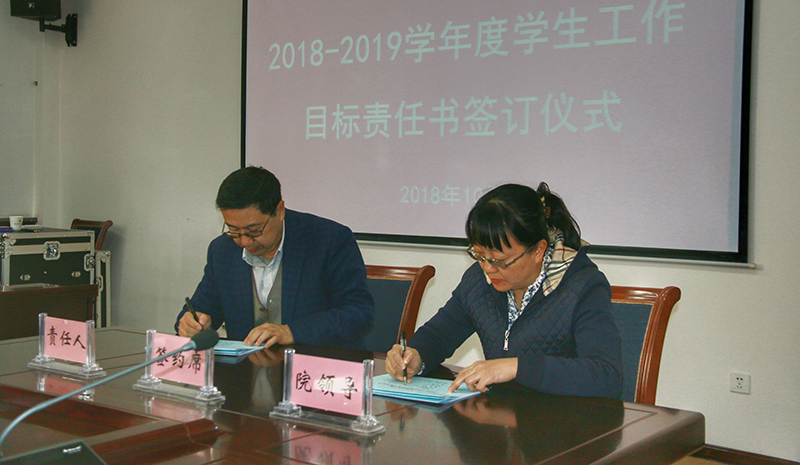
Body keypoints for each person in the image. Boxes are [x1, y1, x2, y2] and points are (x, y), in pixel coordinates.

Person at [385, 183, 623, 399]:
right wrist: (415, 357)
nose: (488, 268)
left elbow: (606, 375)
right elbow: (439, 334)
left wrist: (516, 367)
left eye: (500, 260)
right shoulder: (478, 281)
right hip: (503, 417)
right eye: (480, 255)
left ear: (538, 250)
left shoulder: (583, 285)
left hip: (566, 422)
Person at [176, 166, 374, 349]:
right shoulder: (222, 250)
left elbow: (359, 313)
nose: (244, 241)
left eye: (254, 230)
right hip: (246, 369)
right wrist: (191, 324)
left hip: (317, 365)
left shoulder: (329, 240)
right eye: (234, 230)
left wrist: (291, 332)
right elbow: (201, 309)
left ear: (279, 211)